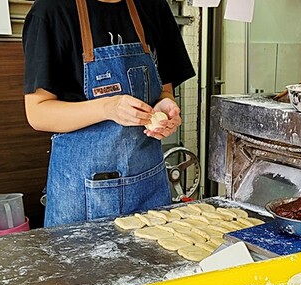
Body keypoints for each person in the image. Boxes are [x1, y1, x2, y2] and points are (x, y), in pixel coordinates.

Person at [22, 0, 196, 227]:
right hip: (81, 194)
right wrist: (107, 108)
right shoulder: (52, 11)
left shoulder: (153, 6)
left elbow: (165, 90)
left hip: (148, 186)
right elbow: (38, 113)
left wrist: (165, 106)